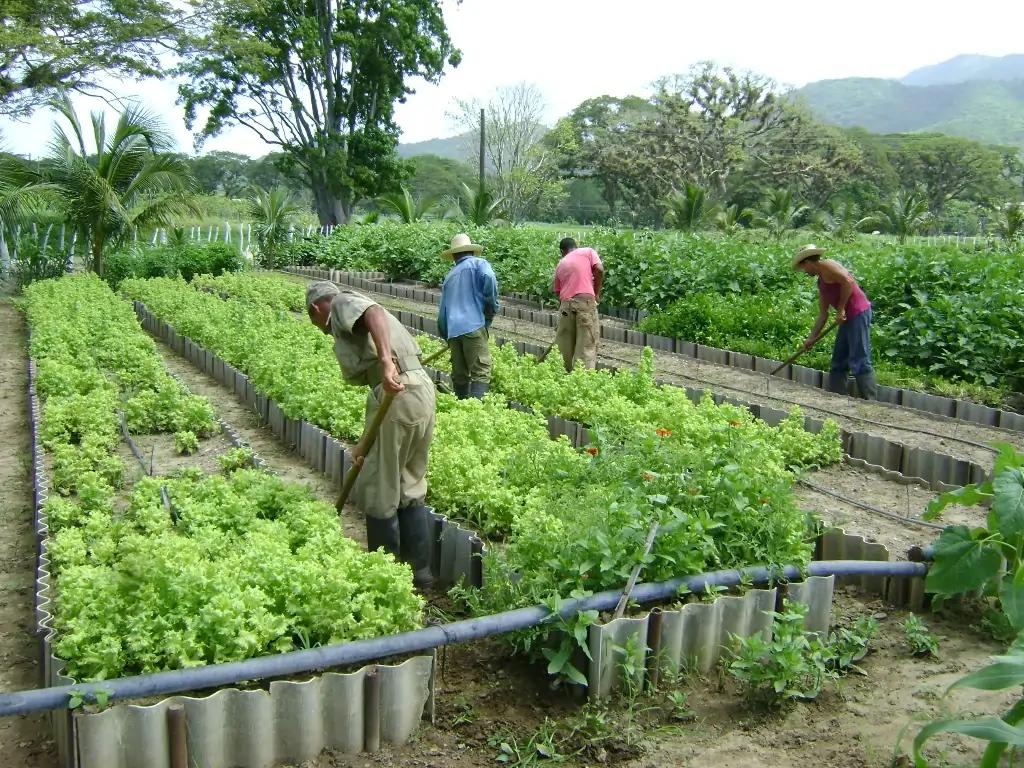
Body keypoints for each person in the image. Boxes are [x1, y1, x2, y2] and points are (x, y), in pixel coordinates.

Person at [305, 280, 436, 587]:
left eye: (315, 323)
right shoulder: (345, 313)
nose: (322, 331)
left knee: (379, 487)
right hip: (419, 389)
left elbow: (373, 311)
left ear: (315, 309)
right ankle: (420, 574)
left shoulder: (341, 303)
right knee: (408, 482)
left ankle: (383, 578)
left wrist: (386, 362)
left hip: (396, 389)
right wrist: (364, 443)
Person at [792, 244, 877, 400]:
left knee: (859, 359)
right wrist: (811, 338)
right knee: (839, 359)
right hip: (845, 318)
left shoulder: (828, 266)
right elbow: (823, 314)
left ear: (808, 262)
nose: (804, 271)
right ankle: (838, 398)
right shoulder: (821, 282)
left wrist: (841, 309)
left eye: (803, 267)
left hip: (858, 312)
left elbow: (848, 282)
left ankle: (870, 401)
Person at [437, 233, 499, 399]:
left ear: (454, 255)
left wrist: (446, 334)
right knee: (480, 371)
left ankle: (461, 405)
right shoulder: (479, 264)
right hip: (472, 326)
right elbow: (489, 277)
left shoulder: (450, 276)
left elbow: (443, 311)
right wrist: (491, 306)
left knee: (460, 373)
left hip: (453, 331)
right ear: (471, 251)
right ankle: (475, 409)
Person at [552, 237, 604, 372]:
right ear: (576, 246)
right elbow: (599, 269)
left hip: (566, 307)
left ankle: (561, 377)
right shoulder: (588, 252)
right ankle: (581, 381)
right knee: (586, 347)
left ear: (562, 252)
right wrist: (596, 293)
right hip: (585, 303)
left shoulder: (560, 264)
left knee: (564, 348)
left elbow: (558, 292)